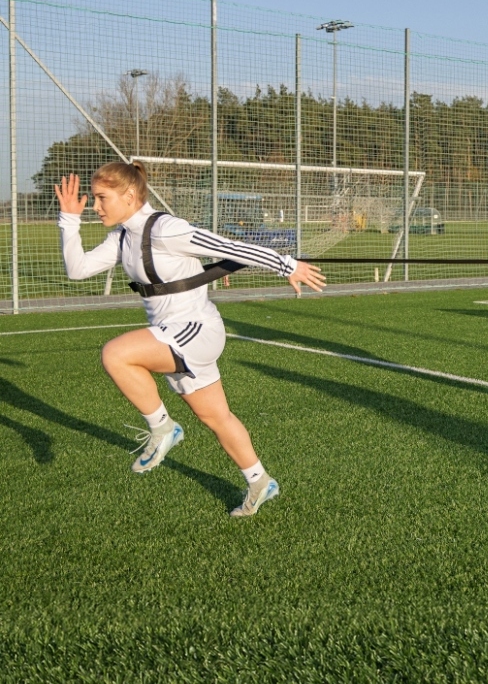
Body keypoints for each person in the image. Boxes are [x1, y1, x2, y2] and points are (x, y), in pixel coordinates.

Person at [55, 162, 326, 517]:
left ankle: (163, 428)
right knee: (217, 418)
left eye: (102, 198)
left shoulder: (166, 229)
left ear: (129, 195)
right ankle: (260, 482)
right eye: (94, 199)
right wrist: (68, 220)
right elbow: (77, 269)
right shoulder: (123, 237)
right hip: (172, 334)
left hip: (196, 330)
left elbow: (229, 246)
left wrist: (288, 266)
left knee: (116, 354)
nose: (95, 206)